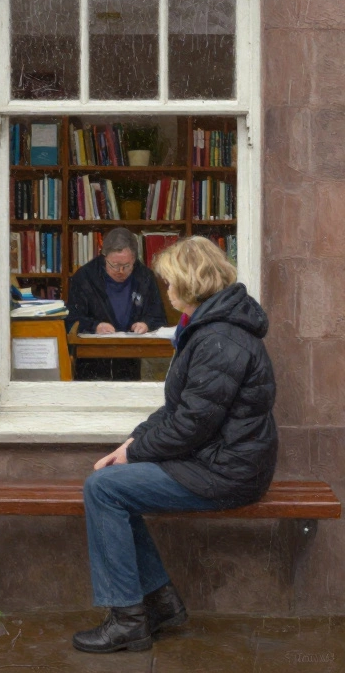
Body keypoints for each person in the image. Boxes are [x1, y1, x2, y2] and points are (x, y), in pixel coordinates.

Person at [71, 237, 277, 654]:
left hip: (227, 470)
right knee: (113, 484)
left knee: (104, 489)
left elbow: (191, 424)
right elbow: (178, 410)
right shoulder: (210, 329)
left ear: (189, 283)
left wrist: (133, 452)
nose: (165, 291)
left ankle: (129, 620)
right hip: (218, 461)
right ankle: (160, 604)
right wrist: (132, 442)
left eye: (169, 283)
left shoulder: (220, 338)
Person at [65, 227, 168, 380]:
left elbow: (159, 317)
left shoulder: (145, 277)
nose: (120, 271)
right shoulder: (85, 277)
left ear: (134, 259)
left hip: (133, 362)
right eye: (114, 265)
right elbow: (71, 319)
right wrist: (95, 326)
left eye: (126, 266)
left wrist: (146, 324)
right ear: (104, 257)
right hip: (92, 364)